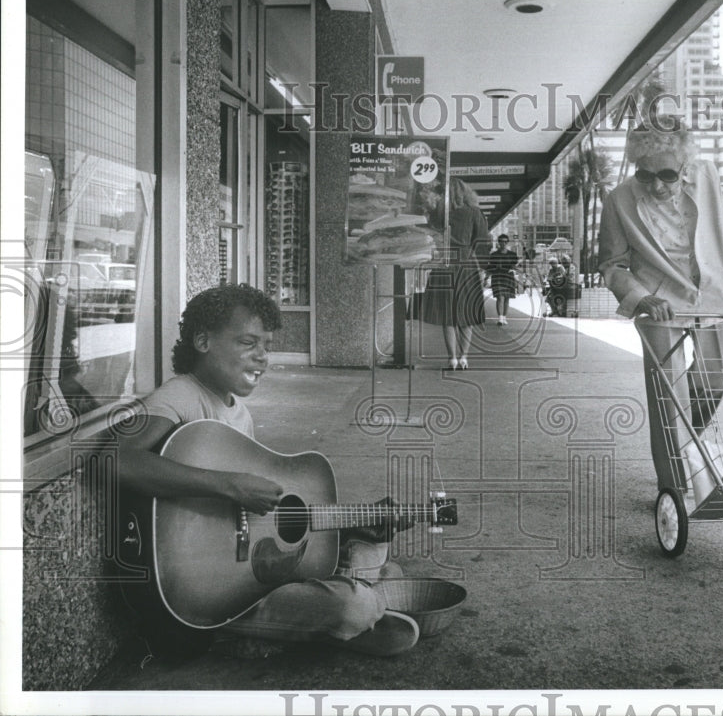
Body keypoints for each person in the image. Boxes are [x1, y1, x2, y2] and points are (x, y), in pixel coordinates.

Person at [115, 284, 418, 658]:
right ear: (203, 341)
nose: (262, 358)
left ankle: (343, 609)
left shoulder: (238, 414)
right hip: (209, 596)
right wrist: (228, 485)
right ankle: (350, 612)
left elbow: (256, 520)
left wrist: (352, 524)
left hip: (245, 575)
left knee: (374, 547)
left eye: (268, 346)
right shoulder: (180, 395)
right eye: (248, 342)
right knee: (354, 603)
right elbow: (120, 461)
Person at [597, 115, 723, 498]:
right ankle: (674, 487)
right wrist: (640, 297)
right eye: (646, 176)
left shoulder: (707, 175)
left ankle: (686, 446)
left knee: (717, 379)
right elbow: (612, 263)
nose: (656, 185)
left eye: (666, 174)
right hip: (659, 305)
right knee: (668, 399)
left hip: (711, 296)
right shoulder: (619, 201)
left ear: (683, 164)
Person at [417, 178, 491, 369]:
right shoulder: (474, 212)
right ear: (466, 193)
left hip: (444, 264)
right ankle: (464, 358)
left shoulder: (439, 213)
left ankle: (452, 358)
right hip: (466, 265)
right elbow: (482, 241)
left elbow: (429, 236)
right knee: (466, 314)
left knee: (448, 314)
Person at [487, 234, 518, 325]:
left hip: (508, 277)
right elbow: (490, 267)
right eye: (501, 241)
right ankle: (500, 318)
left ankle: (504, 317)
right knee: (500, 297)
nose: (503, 243)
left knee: (507, 298)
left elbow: (515, 266)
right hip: (497, 277)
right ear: (499, 243)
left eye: (505, 242)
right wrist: (486, 277)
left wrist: (514, 267)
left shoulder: (512, 255)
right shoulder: (494, 255)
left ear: (507, 243)